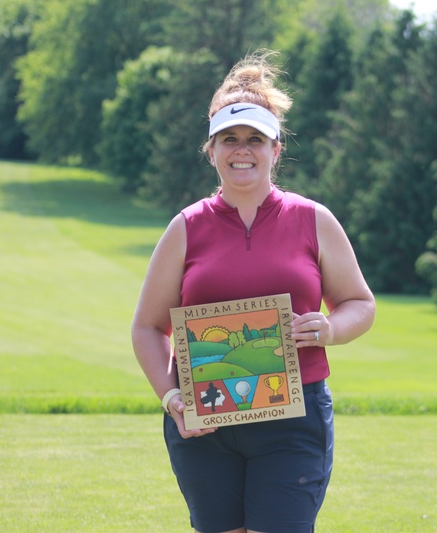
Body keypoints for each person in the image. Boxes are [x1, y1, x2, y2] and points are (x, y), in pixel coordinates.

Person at [130, 50, 376, 533]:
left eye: (255, 139)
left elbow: (360, 304)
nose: (242, 150)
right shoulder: (185, 228)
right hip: (205, 425)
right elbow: (147, 327)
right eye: (230, 139)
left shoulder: (313, 220)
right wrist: (172, 398)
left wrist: (330, 329)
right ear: (211, 150)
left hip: (294, 422)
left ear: (276, 149)